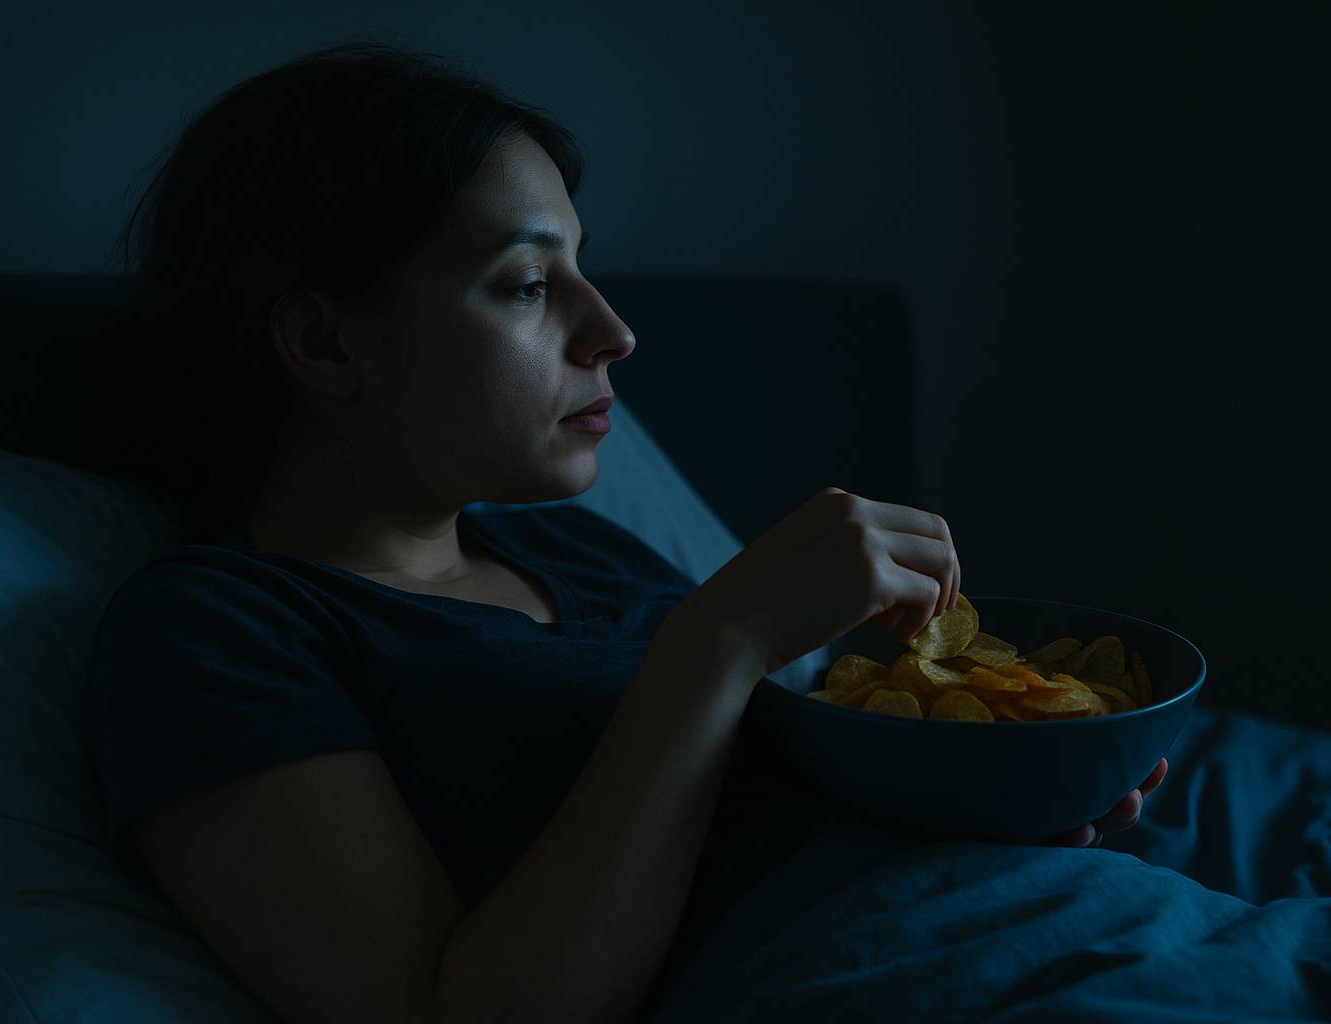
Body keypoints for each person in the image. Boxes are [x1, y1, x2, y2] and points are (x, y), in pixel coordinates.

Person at [86, 37, 1165, 1024]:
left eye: (583, 268)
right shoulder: (217, 632)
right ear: (325, 343)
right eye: (526, 284)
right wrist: (720, 640)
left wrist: (981, 790)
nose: (613, 329)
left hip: (1088, 921)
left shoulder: (578, 552)